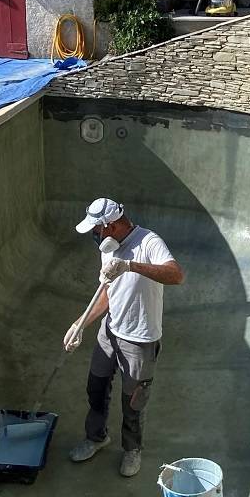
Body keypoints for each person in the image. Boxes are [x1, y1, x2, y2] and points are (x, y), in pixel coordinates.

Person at [63, 196, 185, 477]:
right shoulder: (108, 247)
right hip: (110, 329)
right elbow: (108, 293)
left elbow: (176, 275)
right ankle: (96, 437)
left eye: (96, 230)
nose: (94, 235)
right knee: (96, 386)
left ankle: (132, 449)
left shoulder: (149, 242)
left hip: (140, 338)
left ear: (112, 225)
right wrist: (80, 324)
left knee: (133, 401)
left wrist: (131, 266)